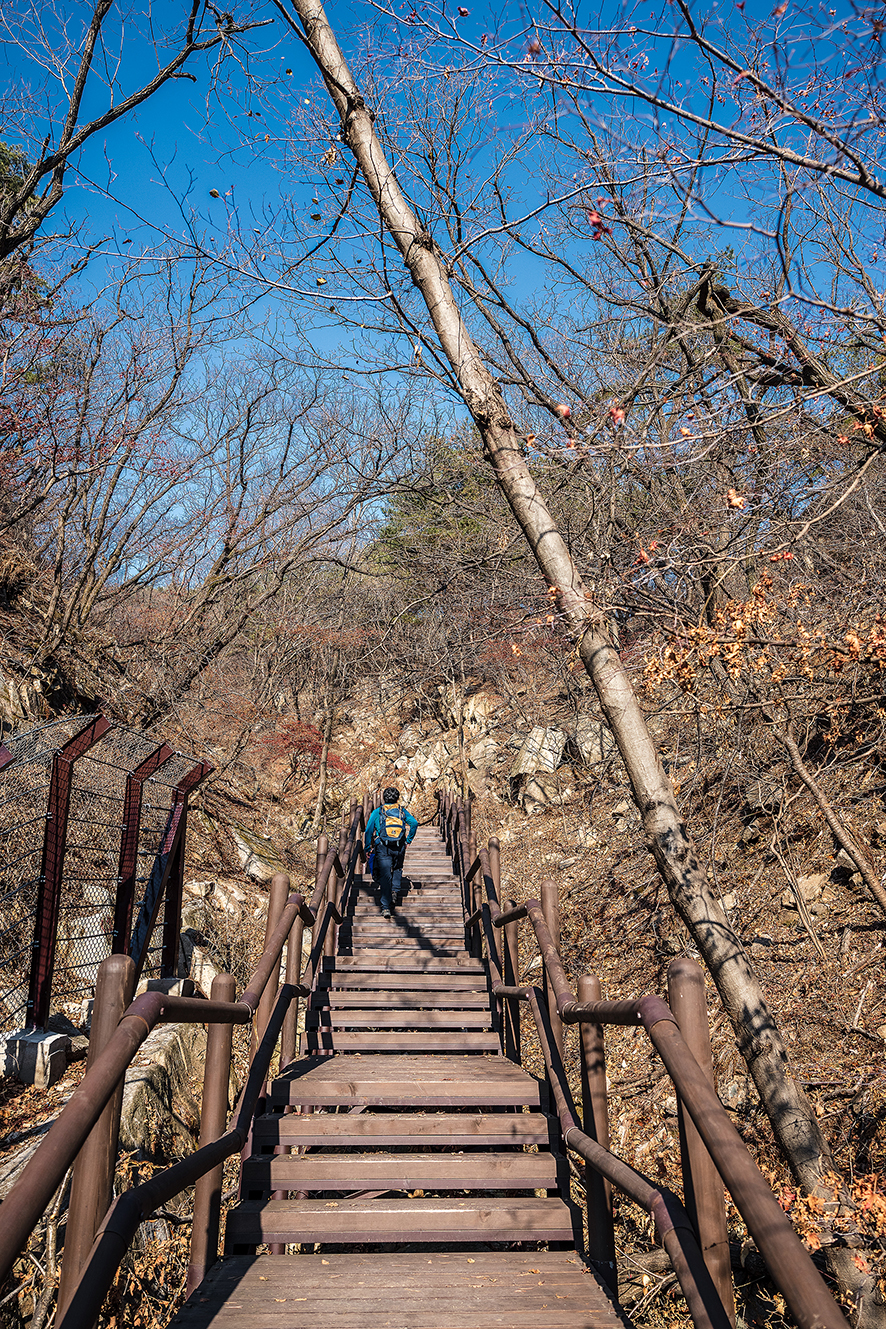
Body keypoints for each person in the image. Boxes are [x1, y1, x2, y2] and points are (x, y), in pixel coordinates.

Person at [364, 786, 418, 918]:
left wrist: (367, 847)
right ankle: (395, 891)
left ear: (383, 798)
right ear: (397, 798)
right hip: (399, 845)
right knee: (398, 868)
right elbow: (414, 823)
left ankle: (386, 907)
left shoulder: (378, 812)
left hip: (383, 846)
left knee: (385, 875)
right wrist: (408, 840)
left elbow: (368, 831)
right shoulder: (401, 811)